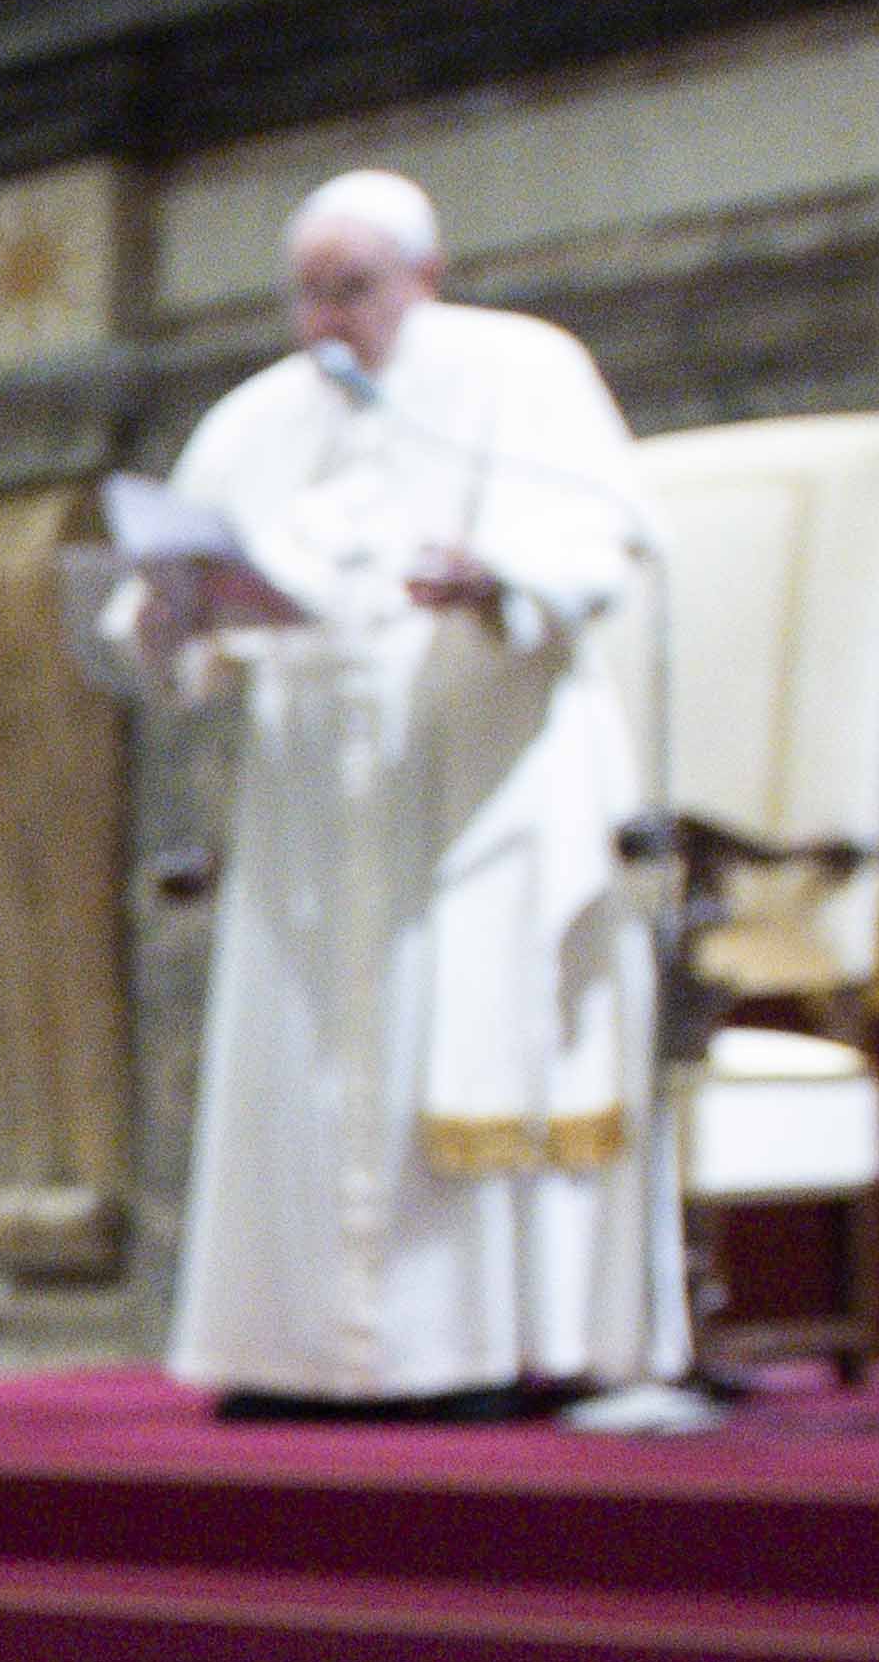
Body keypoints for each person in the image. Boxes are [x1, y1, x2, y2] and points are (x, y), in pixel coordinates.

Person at [148, 169, 682, 1414]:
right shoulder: (252, 419)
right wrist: (174, 608)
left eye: (355, 292)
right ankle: (299, 1358)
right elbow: (167, 597)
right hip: (310, 814)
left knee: (463, 1038)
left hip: (479, 785)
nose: (328, 324)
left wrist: (497, 577)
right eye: (306, 298)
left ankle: (488, 1350)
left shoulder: (521, 370)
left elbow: (604, 544)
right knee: (306, 1064)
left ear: (424, 281)